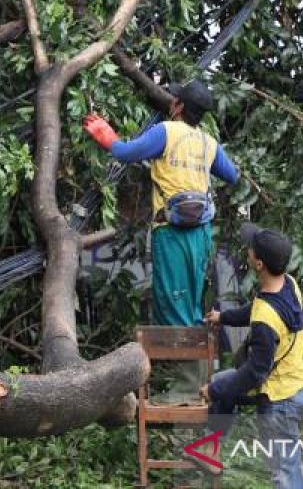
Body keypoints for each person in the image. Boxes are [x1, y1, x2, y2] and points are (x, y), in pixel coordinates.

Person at [81, 80, 240, 327]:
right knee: (191, 296)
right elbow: (232, 175)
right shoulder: (209, 143)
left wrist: (106, 134)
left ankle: (178, 360)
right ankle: (196, 354)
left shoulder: (166, 131)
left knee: (171, 297)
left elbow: (124, 153)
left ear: (178, 106)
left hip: (170, 230)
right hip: (201, 231)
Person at [202, 224, 303, 489]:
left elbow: (254, 373)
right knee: (223, 382)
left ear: (258, 263)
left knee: (284, 473)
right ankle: (211, 447)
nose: (247, 251)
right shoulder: (288, 284)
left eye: (250, 249)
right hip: (290, 383)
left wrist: (213, 391)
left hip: (280, 397)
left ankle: (211, 444)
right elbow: (256, 308)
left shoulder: (265, 320)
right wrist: (223, 317)